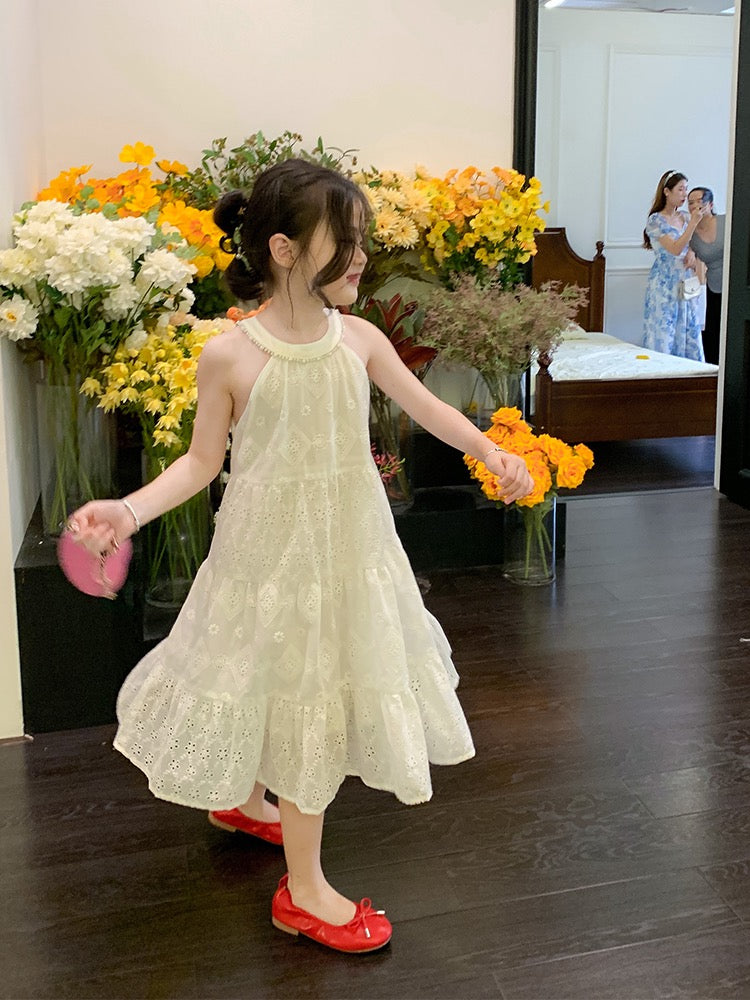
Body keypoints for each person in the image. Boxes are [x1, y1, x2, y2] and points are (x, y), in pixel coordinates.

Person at [68, 159, 533, 955]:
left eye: (362, 240)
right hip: (266, 557)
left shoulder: (359, 340)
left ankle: (247, 802)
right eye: (343, 241)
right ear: (284, 250)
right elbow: (200, 464)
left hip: (345, 550)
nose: (361, 257)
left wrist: (491, 452)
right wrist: (128, 509)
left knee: (284, 676)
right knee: (287, 682)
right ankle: (304, 891)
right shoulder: (230, 356)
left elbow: (426, 408)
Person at [642, 169, 708, 361]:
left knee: (690, 325)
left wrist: (692, 252)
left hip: (687, 280)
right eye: (680, 189)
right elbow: (675, 249)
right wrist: (693, 224)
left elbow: (695, 244)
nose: (684, 194)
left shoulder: (685, 217)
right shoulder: (655, 220)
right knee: (664, 330)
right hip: (664, 282)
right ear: (667, 192)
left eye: (686, 189)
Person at [688, 186, 725, 365]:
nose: (695, 205)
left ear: (710, 204)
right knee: (714, 331)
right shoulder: (691, 234)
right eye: (691, 203)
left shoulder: (726, 221)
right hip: (715, 285)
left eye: (700, 201)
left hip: (737, 280)